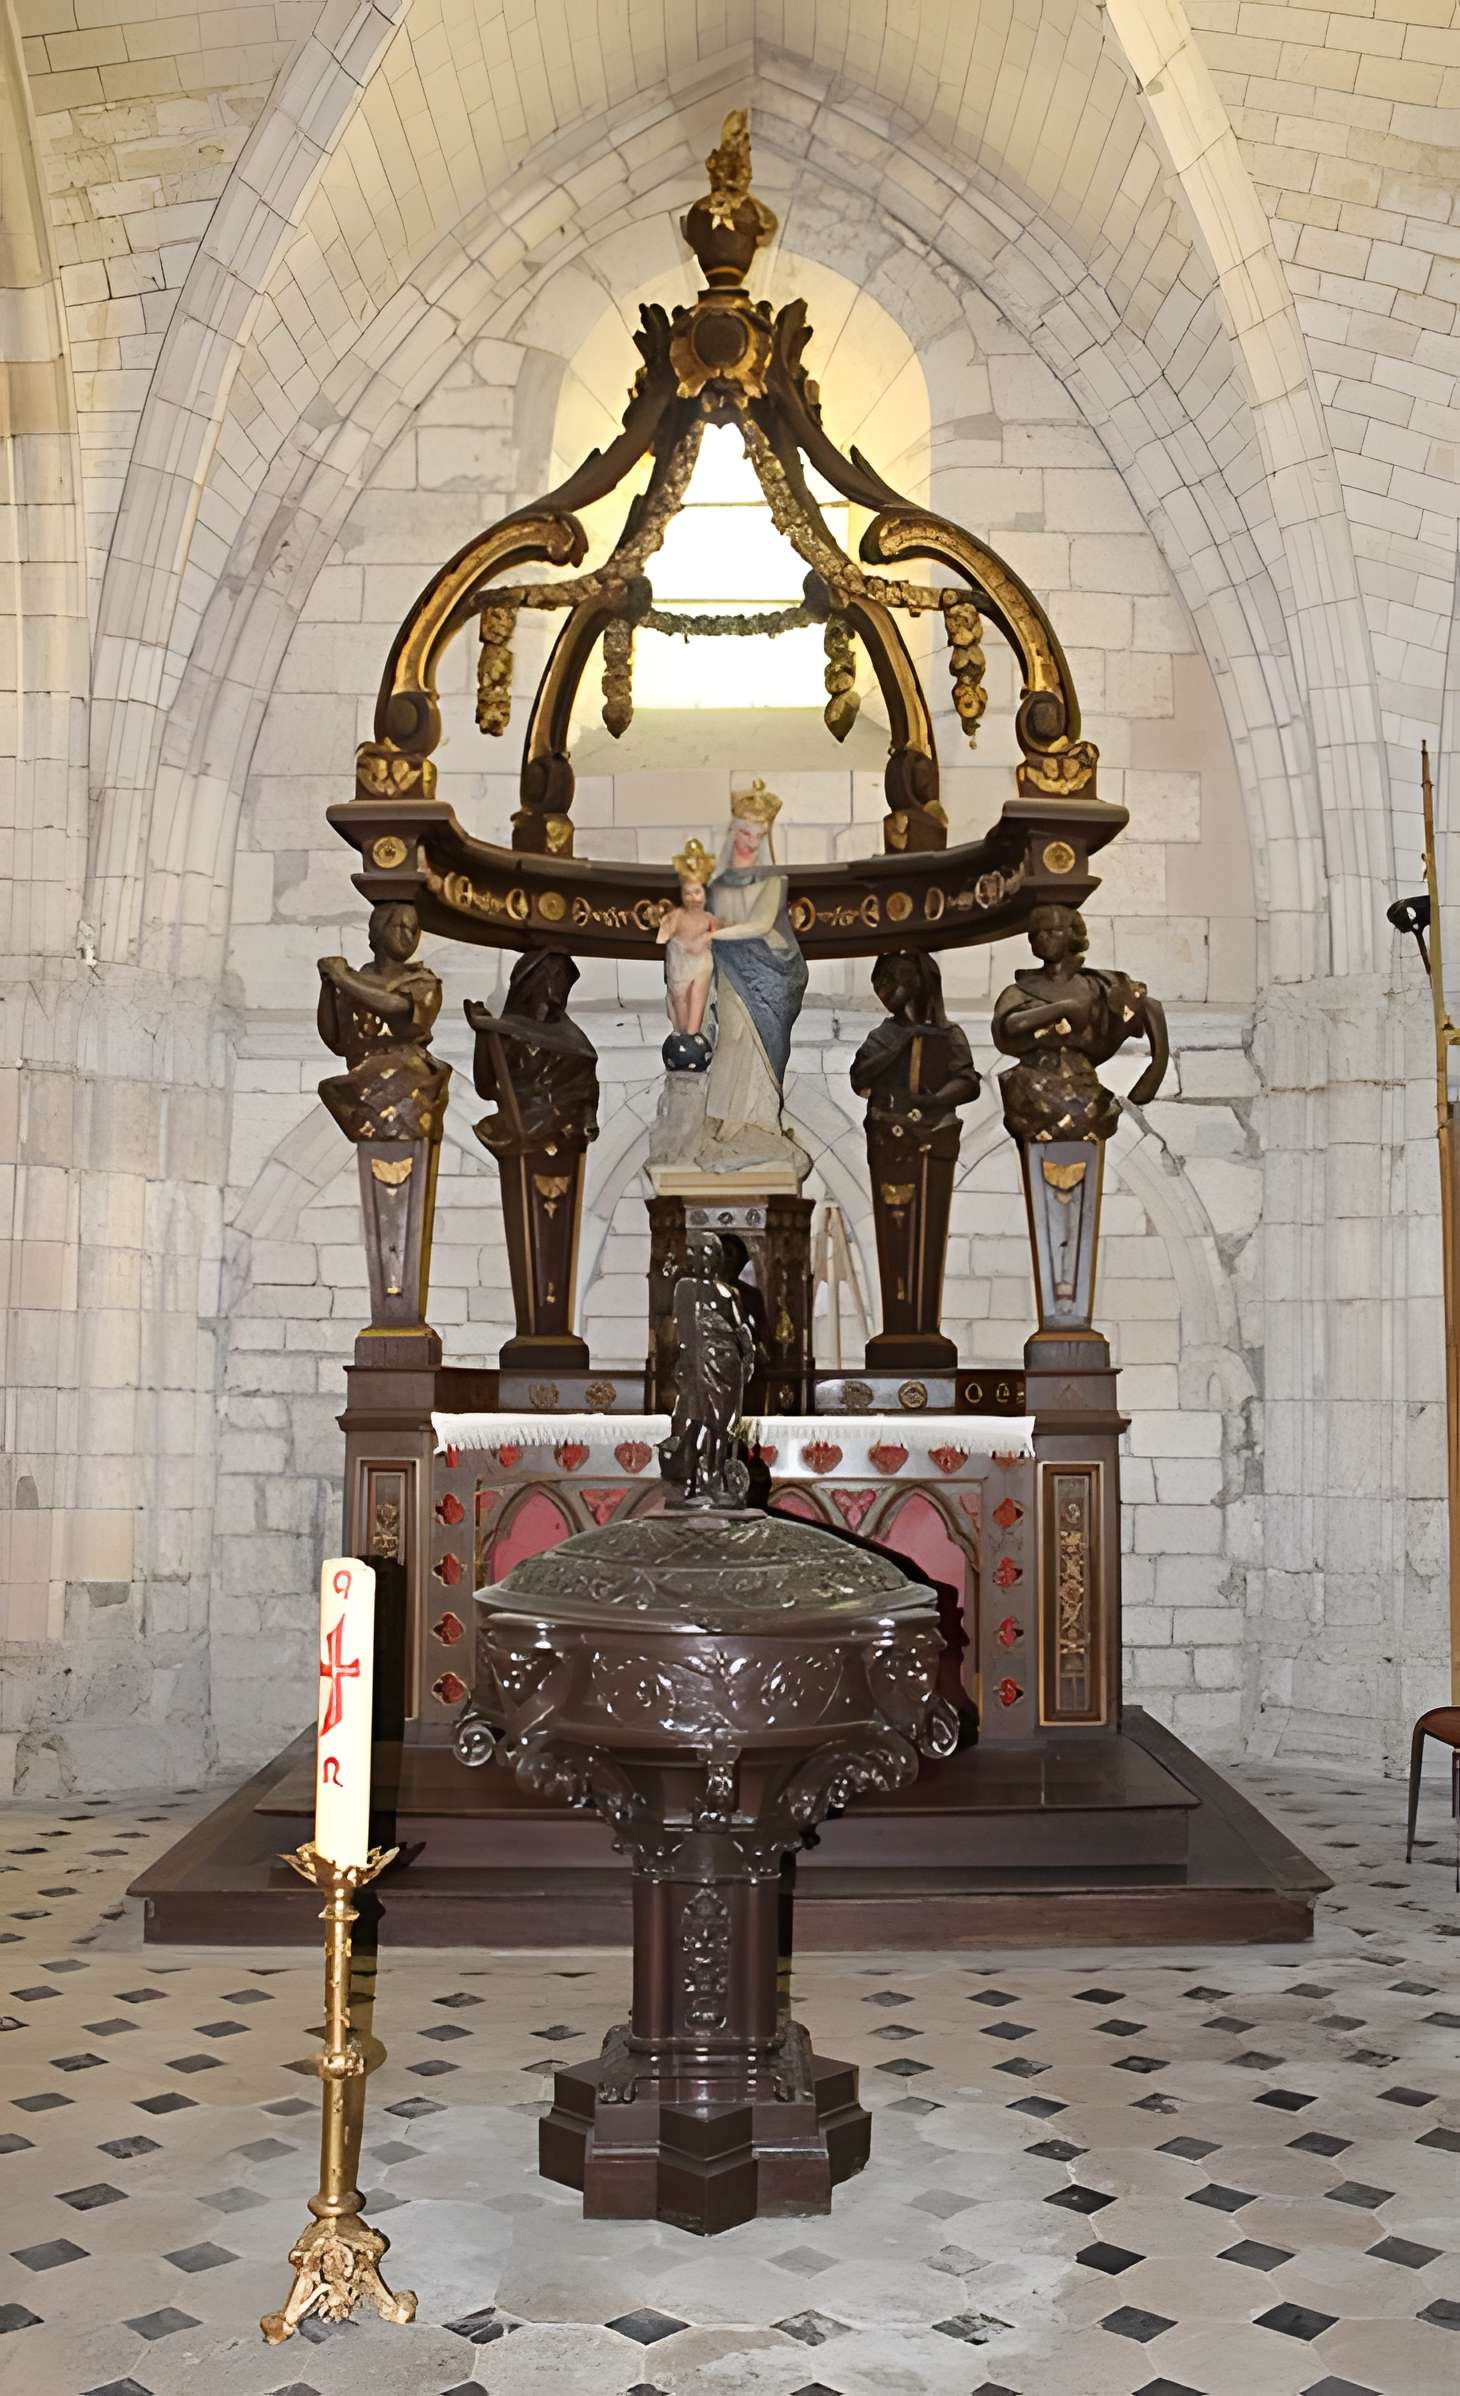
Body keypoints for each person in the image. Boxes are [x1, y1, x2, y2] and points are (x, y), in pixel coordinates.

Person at [697, 780, 810, 1178]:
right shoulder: (720, 884)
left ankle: (758, 1123)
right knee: (731, 1038)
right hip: (732, 972)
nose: (749, 841)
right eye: (743, 831)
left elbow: (761, 924)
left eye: (757, 834)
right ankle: (728, 1123)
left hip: (772, 974)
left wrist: (710, 934)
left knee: (756, 1046)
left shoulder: (772, 881)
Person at [991, 903, 1168, 1144]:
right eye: (1035, 934)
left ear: (1072, 934)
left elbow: (1149, 1006)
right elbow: (1008, 1026)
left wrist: (1156, 1068)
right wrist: (1063, 1008)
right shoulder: (1020, 989)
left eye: (1052, 931)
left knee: (1089, 1129)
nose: (1043, 938)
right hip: (1032, 1090)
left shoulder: (1099, 985)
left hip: (1084, 1091)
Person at [317, 902, 448, 1144]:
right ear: (378, 929)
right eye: (400, 927)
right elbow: (335, 1039)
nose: (408, 936)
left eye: (413, 930)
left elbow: (397, 1008)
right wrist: (328, 986)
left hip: (407, 1080)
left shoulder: (424, 982)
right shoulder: (353, 980)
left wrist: (342, 979)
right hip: (362, 1080)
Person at [657, 839, 719, 1038]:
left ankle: (694, 1035)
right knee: (680, 1005)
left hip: (701, 965)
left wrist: (708, 936)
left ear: (705, 893)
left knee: (697, 1002)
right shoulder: (676, 917)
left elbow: (723, 935)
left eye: (698, 892)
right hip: (679, 967)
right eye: (688, 893)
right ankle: (684, 1034)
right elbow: (663, 936)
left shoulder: (709, 919)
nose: (694, 898)